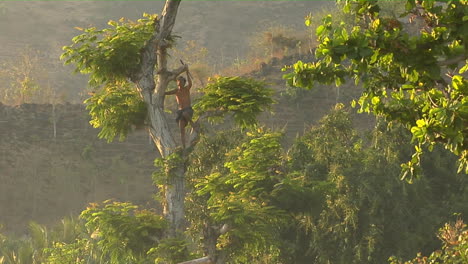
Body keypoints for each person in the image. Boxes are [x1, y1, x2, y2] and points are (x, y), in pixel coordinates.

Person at [165, 67, 196, 149]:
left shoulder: (186, 89)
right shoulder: (176, 91)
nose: (179, 82)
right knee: (181, 129)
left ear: (183, 83)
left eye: (181, 81)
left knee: (185, 113)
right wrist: (161, 92)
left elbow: (190, 83)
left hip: (188, 110)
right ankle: (184, 146)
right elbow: (167, 93)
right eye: (178, 81)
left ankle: (192, 124)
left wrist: (187, 72)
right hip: (180, 111)